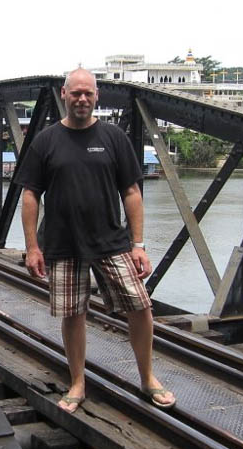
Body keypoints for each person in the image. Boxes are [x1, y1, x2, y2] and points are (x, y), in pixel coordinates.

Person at [14, 68, 175, 413]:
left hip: (112, 242)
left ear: (97, 96)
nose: (82, 99)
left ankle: (147, 379)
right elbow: (30, 196)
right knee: (72, 314)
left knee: (140, 306)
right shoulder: (46, 140)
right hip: (62, 244)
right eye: (76, 93)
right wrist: (32, 247)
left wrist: (139, 244)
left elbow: (131, 192)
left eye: (88, 93)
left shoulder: (114, 137)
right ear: (64, 95)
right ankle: (77, 383)